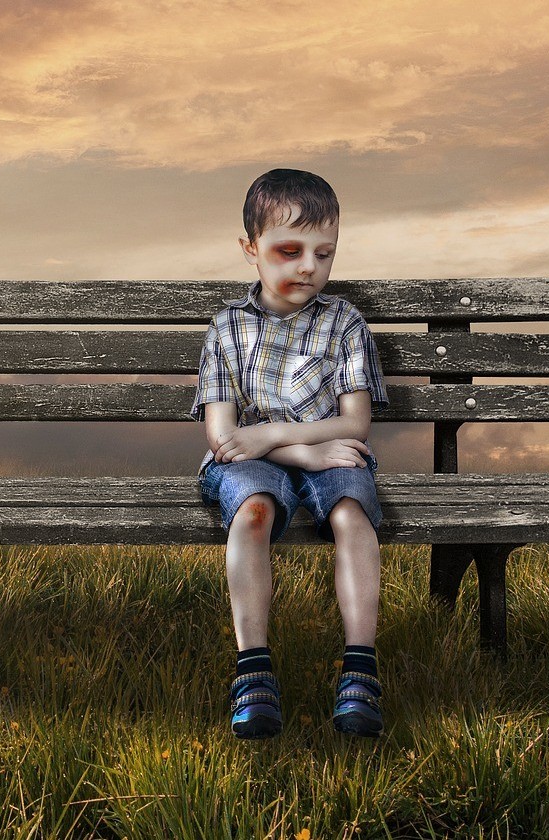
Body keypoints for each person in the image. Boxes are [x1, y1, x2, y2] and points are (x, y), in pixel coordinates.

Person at [189, 168, 389, 739]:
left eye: (324, 254)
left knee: (351, 514)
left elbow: (355, 423)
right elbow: (226, 439)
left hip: (326, 452)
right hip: (250, 463)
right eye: (289, 250)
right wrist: (304, 455)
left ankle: (360, 670)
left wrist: (275, 437)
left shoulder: (343, 323)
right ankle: (253, 672)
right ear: (250, 250)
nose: (309, 267)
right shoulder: (227, 328)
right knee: (252, 512)